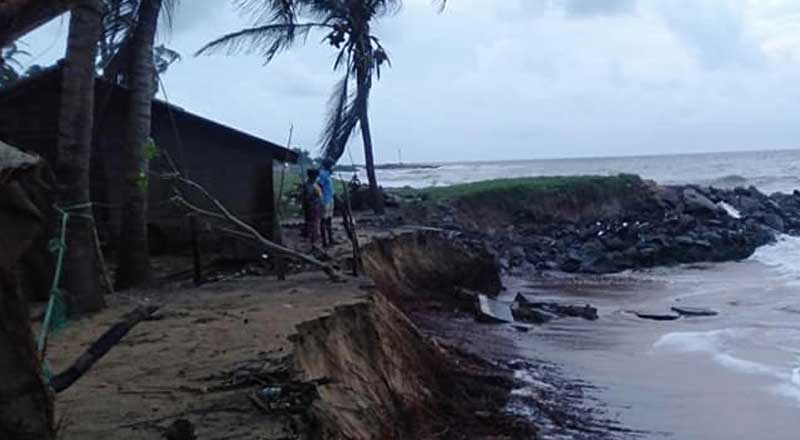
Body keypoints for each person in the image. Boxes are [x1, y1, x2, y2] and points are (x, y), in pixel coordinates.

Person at [317, 159, 337, 246]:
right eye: (332, 166)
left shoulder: (328, 175)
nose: (333, 168)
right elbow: (319, 186)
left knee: (329, 219)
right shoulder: (322, 174)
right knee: (323, 220)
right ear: (328, 166)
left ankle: (330, 239)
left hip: (330, 199)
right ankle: (324, 241)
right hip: (325, 200)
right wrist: (321, 198)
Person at [302, 168, 322, 248]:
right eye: (316, 176)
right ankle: (313, 243)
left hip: (316, 206)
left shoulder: (315, 184)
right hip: (312, 207)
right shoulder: (309, 185)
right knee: (313, 225)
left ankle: (314, 241)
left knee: (316, 224)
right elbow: (308, 197)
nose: (316, 177)